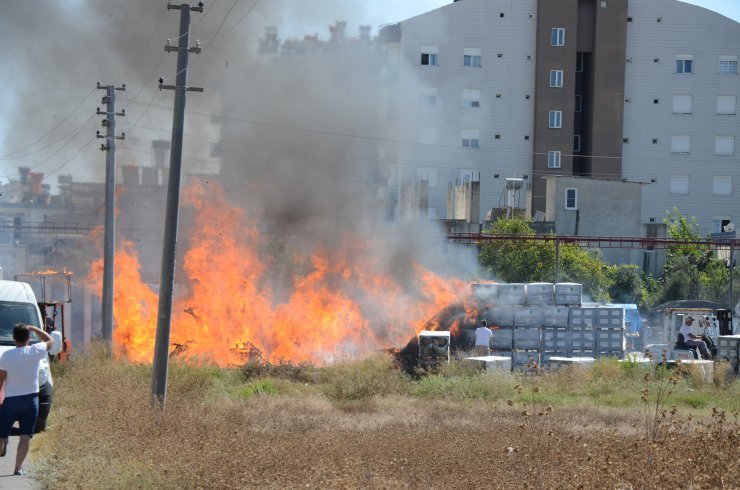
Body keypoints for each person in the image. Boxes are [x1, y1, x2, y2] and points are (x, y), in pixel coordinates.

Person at [0, 323, 55, 476]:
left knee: (2, 434)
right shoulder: (35, 350)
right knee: (25, 436)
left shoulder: (6, 356)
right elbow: (51, 341)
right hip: (30, 400)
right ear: (28, 338)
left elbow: (1, 381)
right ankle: (18, 468)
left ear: (13, 338)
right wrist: (35, 329)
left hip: (10, 401)